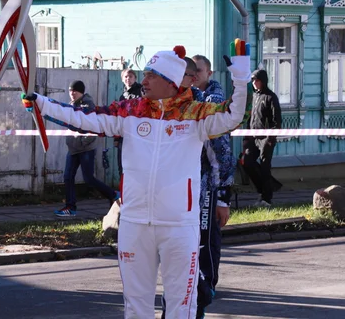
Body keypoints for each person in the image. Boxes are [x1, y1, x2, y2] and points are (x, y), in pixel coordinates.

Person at [22, 47, 250, 318]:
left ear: (170, 82)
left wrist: (240, 79)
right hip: (135, 223)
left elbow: (234, 114)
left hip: (178, 225)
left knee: (181, 306)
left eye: (151, 75)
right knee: (136, 305)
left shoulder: (195, 114)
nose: (144, 81)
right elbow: (84, 118)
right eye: (145, 75)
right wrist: (40, 103)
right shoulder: (130, 111)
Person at [192, 54, 237, 318]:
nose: (195, 76)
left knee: (205, 244)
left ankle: (203, 293)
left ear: (209, 73)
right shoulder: (189, 100)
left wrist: (222, 199)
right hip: (187, 188)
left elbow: (221, 155)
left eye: (199, 71)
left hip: (207, 187)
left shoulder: (213, 102)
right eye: (192, 71)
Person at [53, 80, 118, 218]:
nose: (72, 93)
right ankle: (70, 207)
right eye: (70, 91)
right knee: (68, 177)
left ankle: (113, 194)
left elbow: (92, 126)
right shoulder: (71, 105)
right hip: (73, 148)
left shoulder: (88, 105)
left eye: (75, 91)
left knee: (88, 178)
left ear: (81, 92)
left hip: (85, 148)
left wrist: (83, 142)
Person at [242, 69, 282, 207]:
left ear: (263, 81)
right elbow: (250, 118)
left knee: (265, 167)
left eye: (257, 80)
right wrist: (246, 138)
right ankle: (264, 189)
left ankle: (267, 199)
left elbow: (277, 121)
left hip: (266, 138)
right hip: (252, 137)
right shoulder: (254, 97)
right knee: (247, 162)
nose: (254, 83)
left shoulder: (271, 97)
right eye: (252, 80)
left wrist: (271, 138)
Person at [115, 69, 143, 177]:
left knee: (136, 166)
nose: (128, 79)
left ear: (135, 78)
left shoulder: (141, 92)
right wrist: (116, 138)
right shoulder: (122, 97)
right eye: (126, 77)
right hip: (124, 135)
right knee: (122, 166)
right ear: (122, 79)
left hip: (138, 135)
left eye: (131, 76)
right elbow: (119, 117)